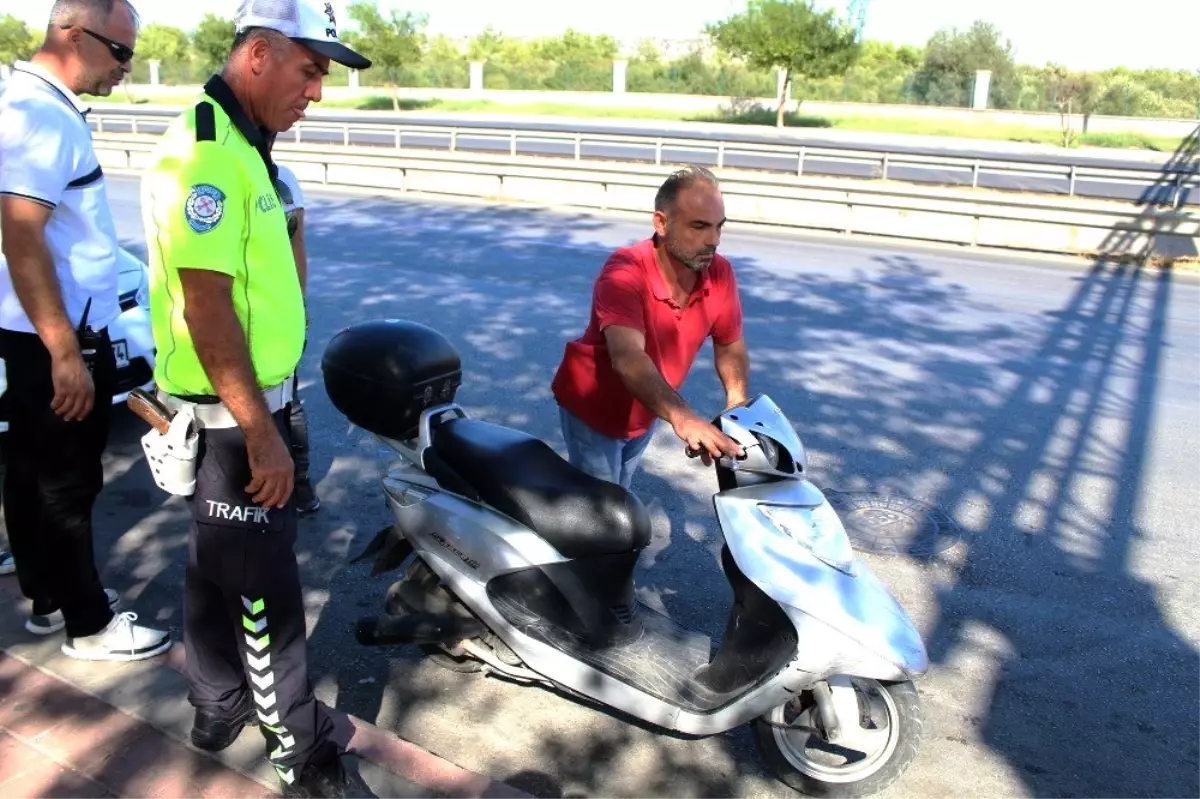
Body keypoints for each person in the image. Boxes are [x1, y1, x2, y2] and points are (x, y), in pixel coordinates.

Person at [138, 1, 371, 795]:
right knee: (265, 591)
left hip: (248, 407)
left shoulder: (245, 147)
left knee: (215, 565)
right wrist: (262, 431)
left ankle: (215, 702)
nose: (319, 91)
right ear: (260, 56)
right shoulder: (209, 154)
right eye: (311, 69)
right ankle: (299, 751)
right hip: (235, 419)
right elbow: (204, 304)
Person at [0, 0, 169, 661]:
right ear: (72, 33)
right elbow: (22, 234)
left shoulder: (34, 104)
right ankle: (88, 623)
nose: (126, 66)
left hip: (39, 332)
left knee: (33, 465)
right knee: (69, 480)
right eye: (119, 50)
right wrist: (65, 350)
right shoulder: (39, 115)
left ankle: (42, 587)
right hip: (58, 337)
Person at [550, 165, 750, 489]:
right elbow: (628, 358)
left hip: (646, 407)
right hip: (594, 409)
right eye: (699, 227)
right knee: (602, 511)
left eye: (718, 227)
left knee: (622, 494)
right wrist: (684, 418)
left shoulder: (720, 272)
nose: (713, 240)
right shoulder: (624, 272)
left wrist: (737, 402)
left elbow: (729, 343)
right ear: (661, 223)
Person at [271, 144, 319, 514]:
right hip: (280, 310)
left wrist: (298, 304)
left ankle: (295, 483)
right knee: (289, 399)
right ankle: (299, 486)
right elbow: (296, 244)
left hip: (266, 313)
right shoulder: (284, 180)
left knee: (283, 402)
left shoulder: (279, 180)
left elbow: (296, 244)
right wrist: (299, 304)